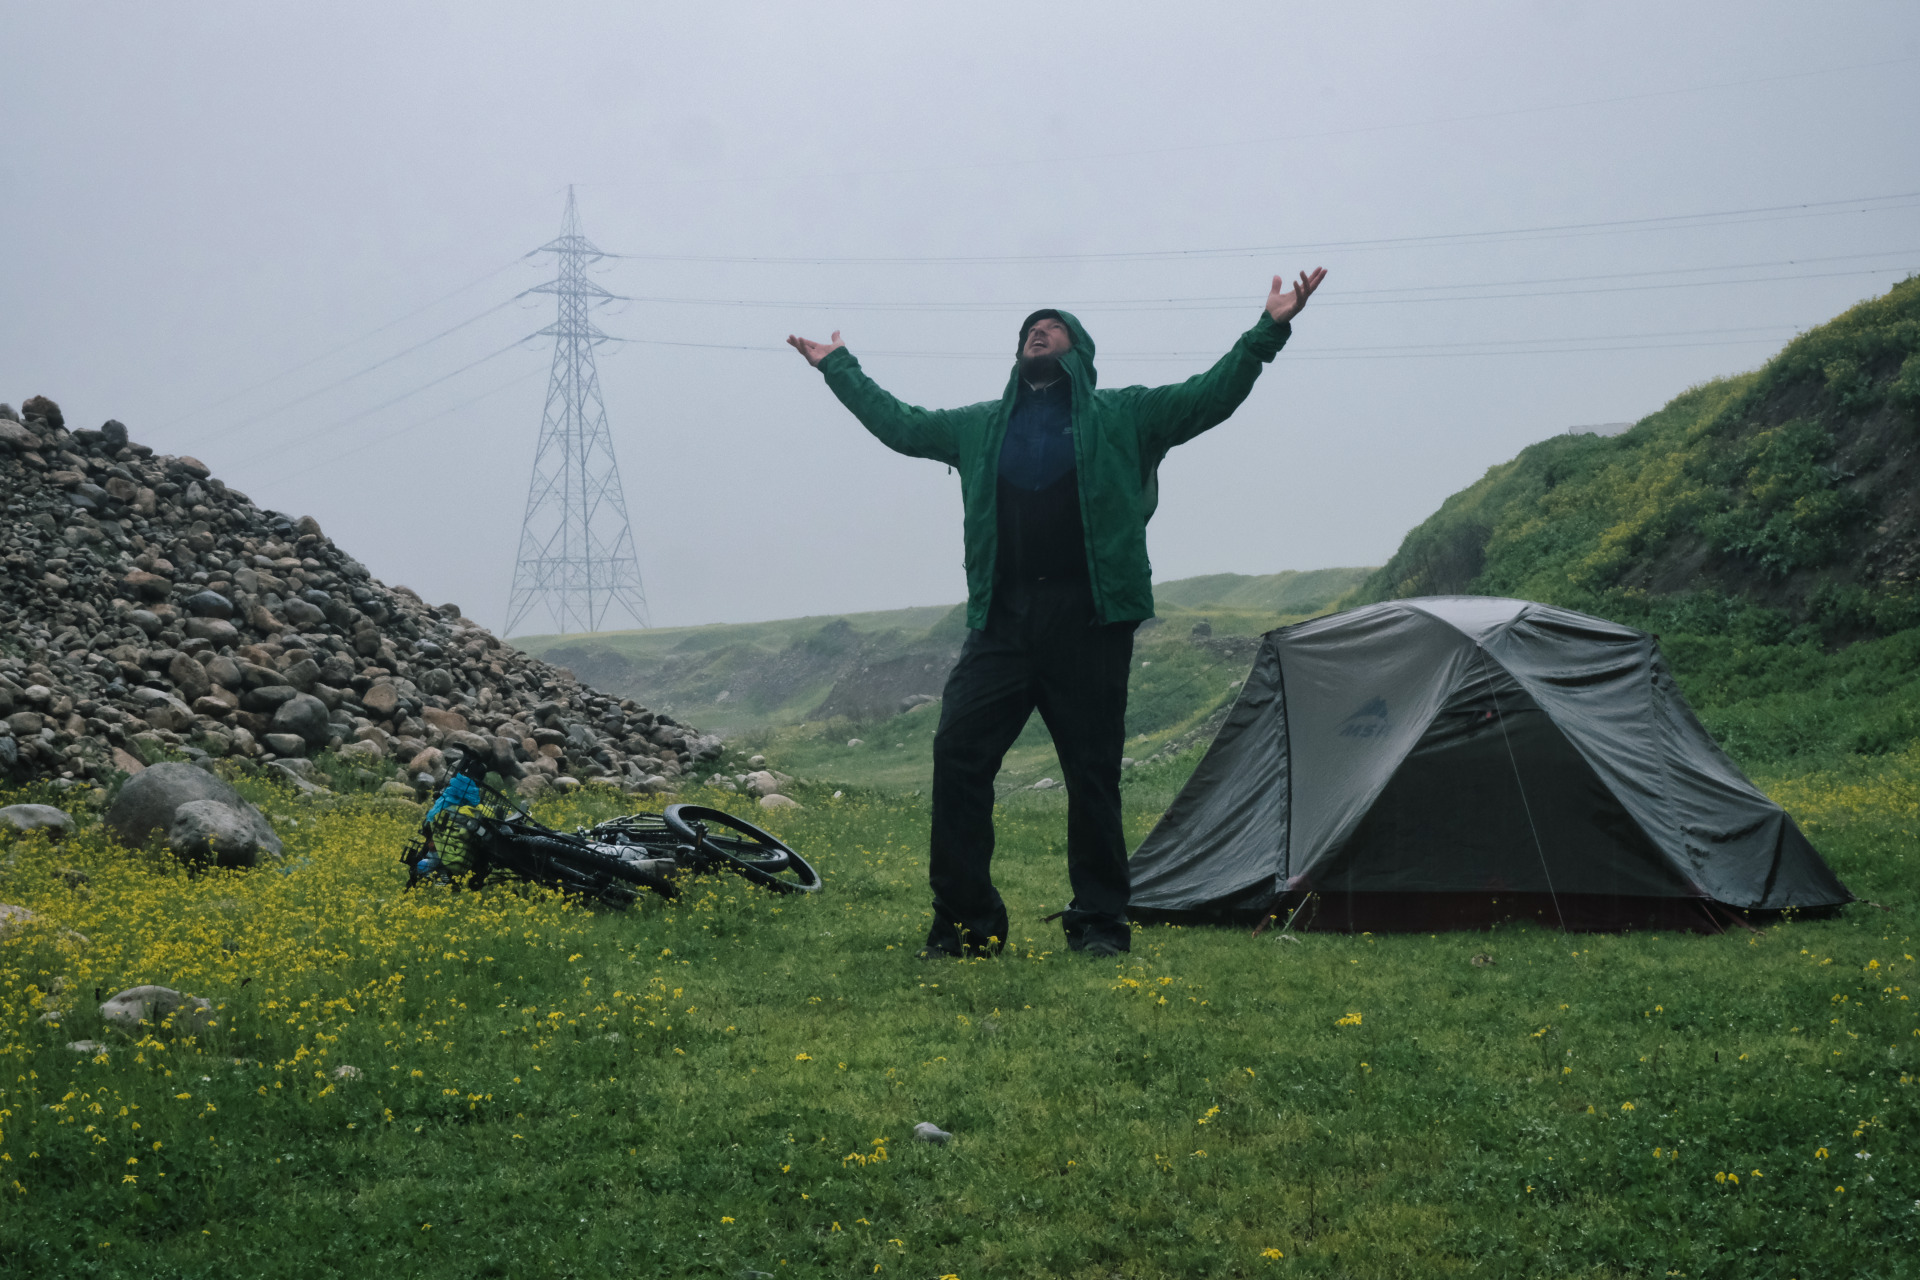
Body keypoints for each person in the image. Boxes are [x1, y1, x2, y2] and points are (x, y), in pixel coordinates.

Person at [788, 269, 1326, 957]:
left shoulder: (1126, 416)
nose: (1034, 332)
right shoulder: (981, 425)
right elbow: (902, 426)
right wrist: (840, 368)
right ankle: (964, 925)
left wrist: (1269, 328)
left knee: (1092, 773)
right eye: (1025, 330)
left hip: (1090, 620)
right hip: (1002, 622)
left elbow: (1210, 396)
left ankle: (1100, 923)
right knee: (957, 754)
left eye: (1050, 326)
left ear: (1078, 348)